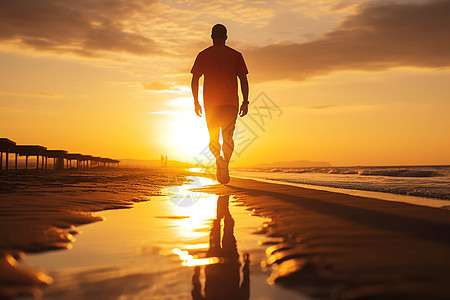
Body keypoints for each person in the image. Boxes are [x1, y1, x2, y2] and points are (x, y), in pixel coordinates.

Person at [190, 24, 249, 184]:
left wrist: (196, 101)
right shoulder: (236, 55)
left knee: (213, 138)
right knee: (228, 137)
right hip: (231, 104)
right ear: (226, 37)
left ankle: (218, 159)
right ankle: (225, 165)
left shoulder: (203, 55)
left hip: (211, 104)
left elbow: (195, 79)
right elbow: (243, 79)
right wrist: (245, 101)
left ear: (211, 37)